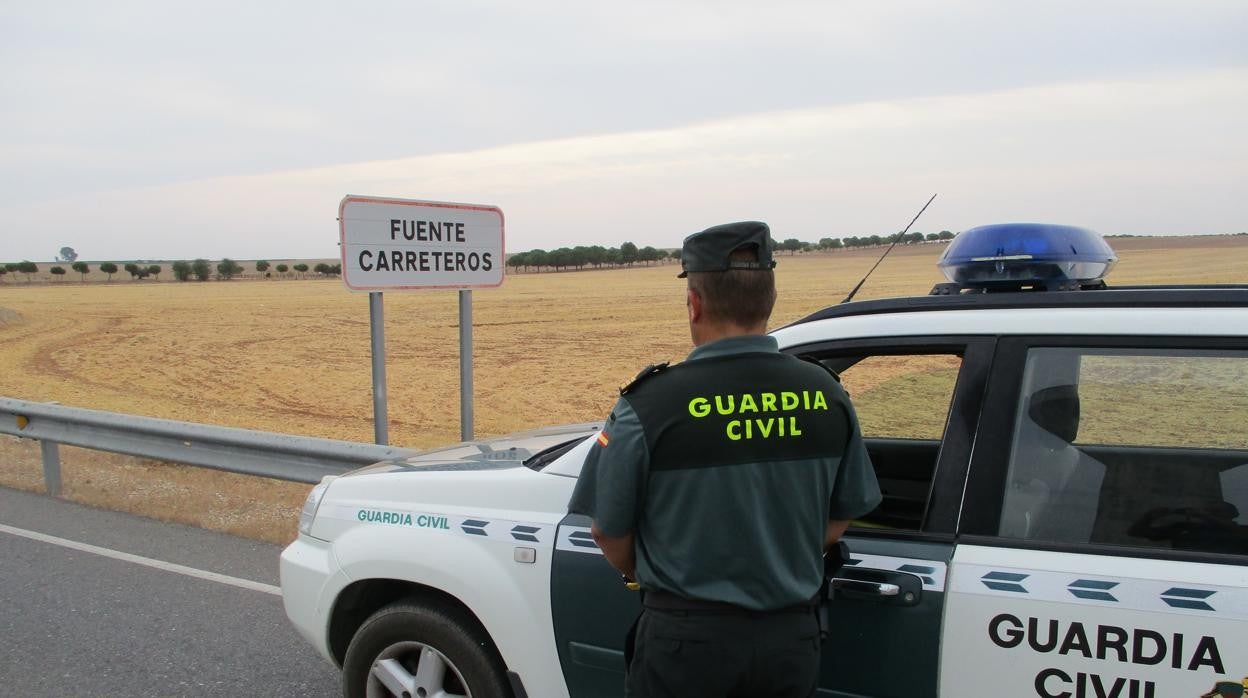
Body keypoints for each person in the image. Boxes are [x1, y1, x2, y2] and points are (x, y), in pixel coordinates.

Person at [568, 221, 882, 698]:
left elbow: (609, 534)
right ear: (770, 298)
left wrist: (658, 575)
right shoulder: (826, 393)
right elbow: (841, 516)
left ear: (694, 303)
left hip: (685, 644)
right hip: (790, 643)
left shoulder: (649, 405)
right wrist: (778, 557)